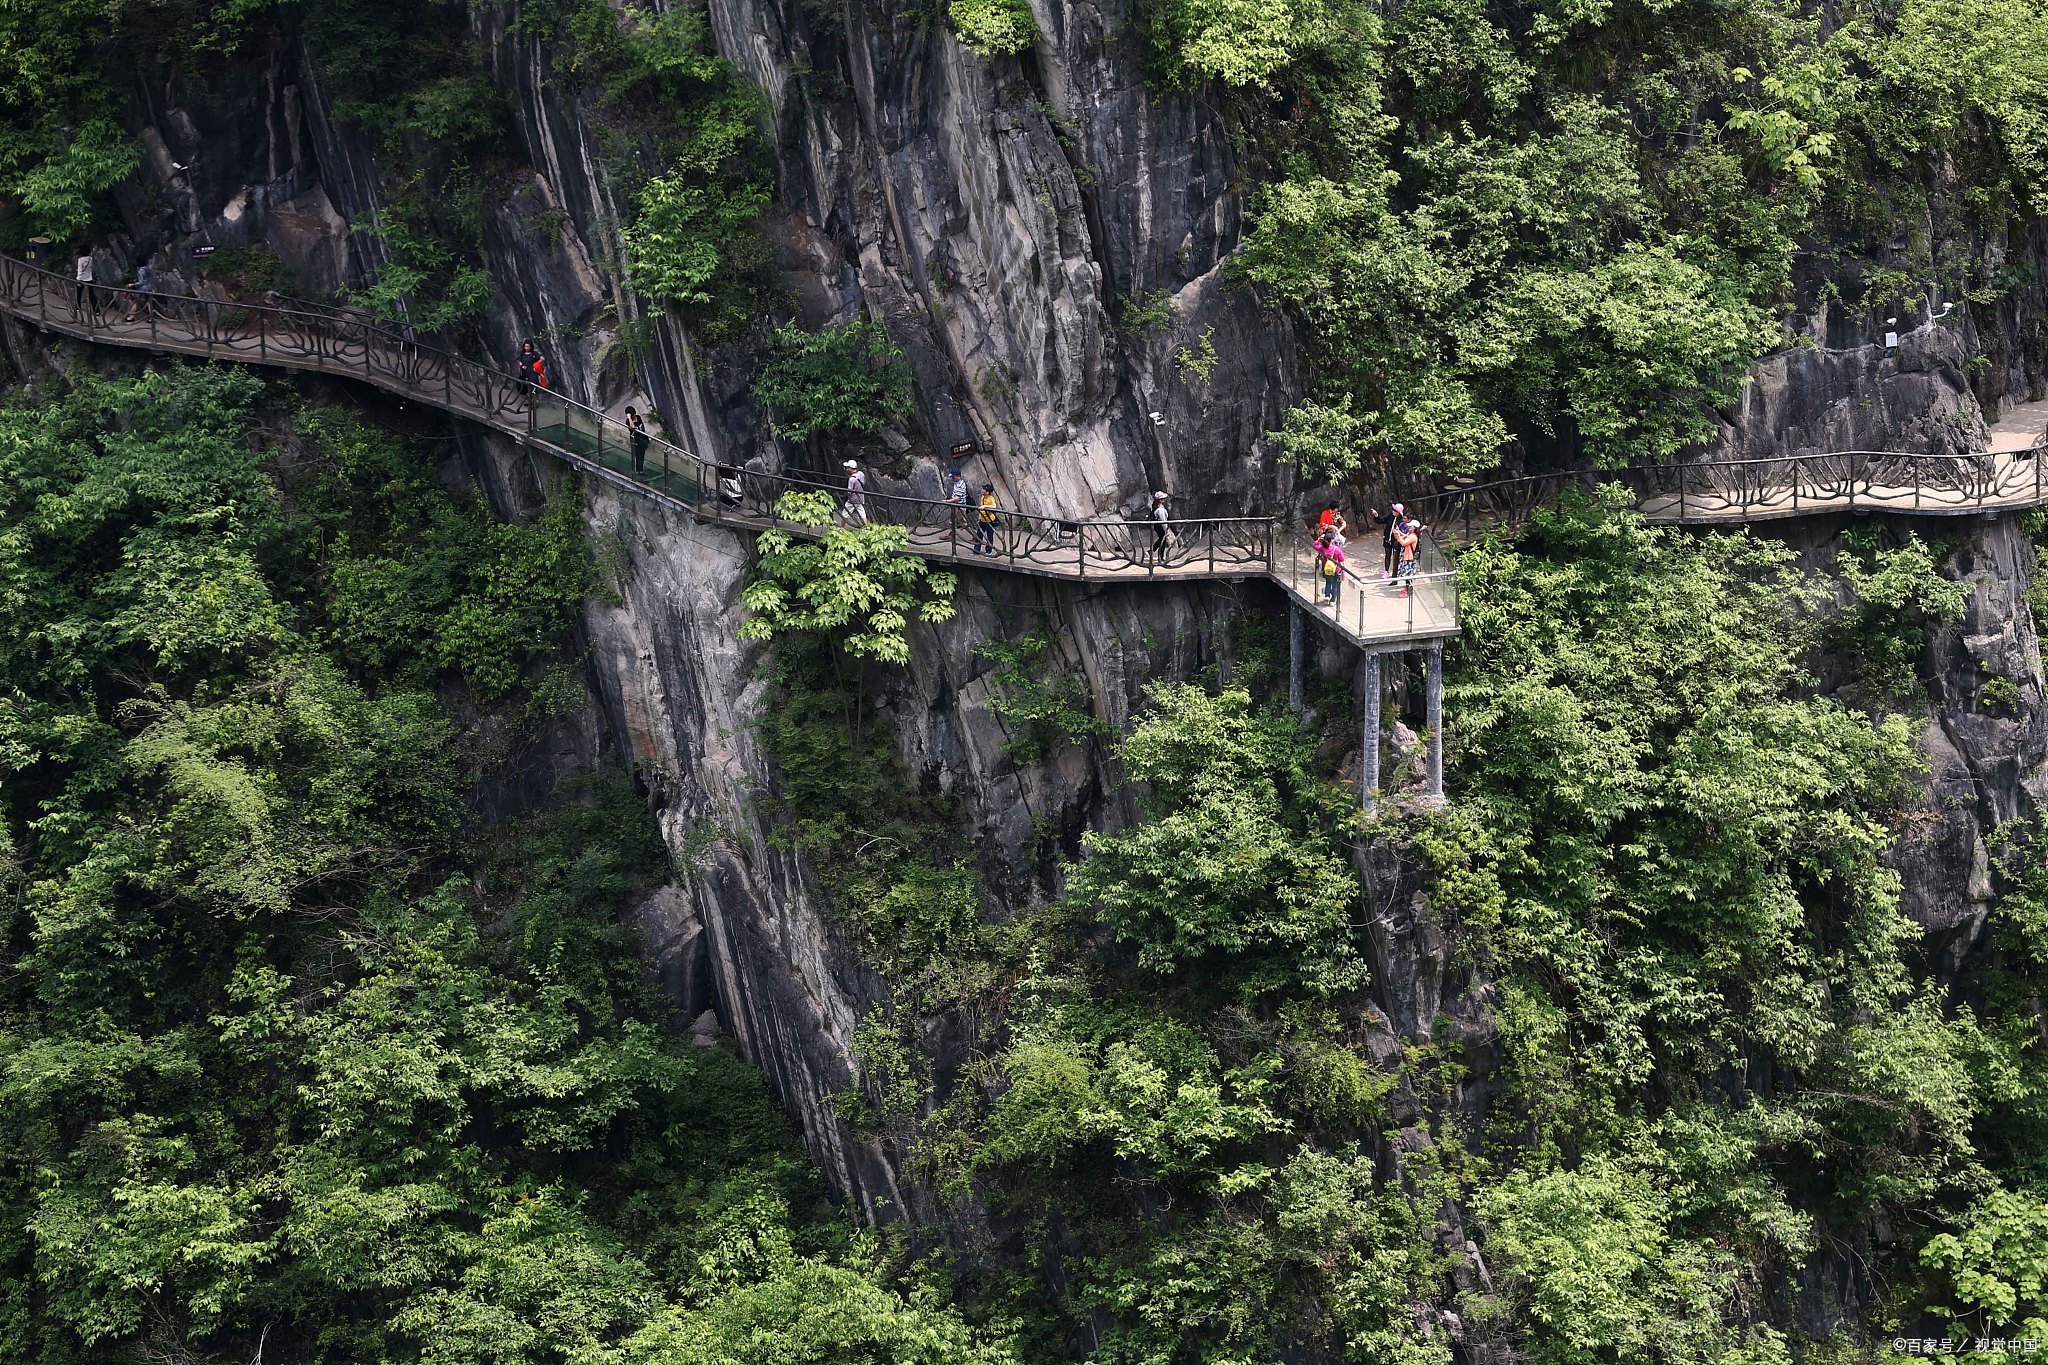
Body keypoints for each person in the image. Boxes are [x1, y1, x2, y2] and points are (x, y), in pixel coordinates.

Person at [1368, 502, 1405, 578]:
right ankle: (1386, 571)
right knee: (1387, 555)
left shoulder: (1402, 521)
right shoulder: (1390, 516)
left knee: (1396, 557)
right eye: (1393, 510)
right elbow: (1381, 520)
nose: (1393, 511)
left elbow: (1404, 532)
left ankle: (1396, 572)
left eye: (1395, 510)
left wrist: (1398, 532)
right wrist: (1376, 515)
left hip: (1396, 541)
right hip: (1388, 539)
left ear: (1399, 512)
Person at [1393, 515, 1425, 595]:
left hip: (1408, 557)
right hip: (1406, 556)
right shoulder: (1410, 534)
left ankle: (1408, 591)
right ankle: (1407, 589)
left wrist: (1397, 537)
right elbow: (1404, 536)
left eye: (1410, 527)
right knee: (1406, 575)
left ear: (1414, 528)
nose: (1409, 527)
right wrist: (1398, 533)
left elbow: (1404, 543)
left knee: (1408, 576)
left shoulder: (1413, 536)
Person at [1315, 528, 1346, 607]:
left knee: (1328, 582)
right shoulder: (1337, 549)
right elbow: (1342, 559)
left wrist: (1319, 539)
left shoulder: (1322, 548)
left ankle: (1327, 596)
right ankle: (1333, 600)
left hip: (1327, 568)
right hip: (1336, 569)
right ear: (1332, 540)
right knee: (1335, 585)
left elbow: (1315, 545)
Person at [974, 483, 999, 555]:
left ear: (987, 492)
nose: (982, 490)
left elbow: (994, 506)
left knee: (989, 536)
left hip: (989, 520)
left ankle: (988, 551)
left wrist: (985, 506)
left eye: (983, 489)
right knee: (979, 535)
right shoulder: (982, 497)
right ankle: (976, 550)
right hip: (982, 519)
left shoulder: (991, 498)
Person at [624, 406, 649, 475]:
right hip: (635, 441)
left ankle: (640, 470)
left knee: (641, 456)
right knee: (637, 456)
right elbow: (632, 427)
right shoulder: (628, 421)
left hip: (643, 440)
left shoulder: (638, 417)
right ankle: (637, 471)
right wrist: (629, 418)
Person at [842, 459, 868, 525]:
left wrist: (846, 494)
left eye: (848, 467)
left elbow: (849, 491)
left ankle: (841, 528)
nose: (847, 469)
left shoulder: (852, 479)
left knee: (845, 514)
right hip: (860, 497)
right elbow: (864, 483)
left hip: (852, 500)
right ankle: (866, 527)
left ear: (851, 468)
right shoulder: (861, 474)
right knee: (862, 514)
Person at [73, 249, 95, 320]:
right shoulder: (90, 259)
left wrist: (78, 280)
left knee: (79, 294)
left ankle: (77, 307)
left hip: (81, 280)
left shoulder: (80, 260)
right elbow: (90, 268)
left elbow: (80, 271)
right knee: (91, 295)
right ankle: (96, 310)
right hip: (89, 279)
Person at [1149, 490, 1170, 560]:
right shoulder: (1160, 509)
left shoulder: (1157, 507)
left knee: (1162, 539)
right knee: (1163, 540)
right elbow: (1163, 520)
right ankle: (1160, 556)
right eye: (1162, 499)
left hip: (1157, 525)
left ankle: (1154, 552)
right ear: (1159, 500)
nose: (1164, 500)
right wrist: (1166, 530)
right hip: (1160, 525)